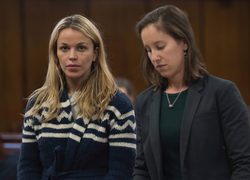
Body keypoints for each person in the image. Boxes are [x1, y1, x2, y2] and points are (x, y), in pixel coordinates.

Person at [133, 5, 250, 180]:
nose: (154, 57)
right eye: (149, 50)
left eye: (160, 46)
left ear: (184, 43)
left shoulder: (222, 92)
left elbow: (244, 162)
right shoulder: (143, 101)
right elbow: (142, 169)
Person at [17, 14, 136, 180]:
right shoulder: (38, 103)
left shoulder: (117, 103)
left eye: (81, 48)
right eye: (64, 48)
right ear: (56, 54)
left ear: (95, 53)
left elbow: (121, 171)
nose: (72, 56)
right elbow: (28, 167)